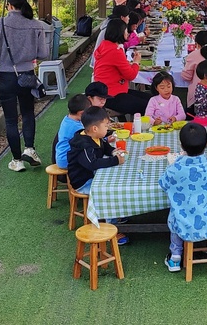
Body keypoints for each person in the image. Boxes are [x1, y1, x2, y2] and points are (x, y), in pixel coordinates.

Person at [0, 0, 50, 173]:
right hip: (27, 76)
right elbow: (43, 53)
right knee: (28, 113)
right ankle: (30, 149)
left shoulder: (0, 24)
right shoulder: (36, 25)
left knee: (11, 120)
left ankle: (17, 161)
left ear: (9, 5)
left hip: (5, 77)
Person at [159, 122, 207, 272]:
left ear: (181, 146)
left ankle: (175, 256)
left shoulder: (175, 169)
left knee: (177, 216)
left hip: (183, 222)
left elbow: (163, 184)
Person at [65, 106, 129, 245]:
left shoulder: (95, 137)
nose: (108, 128)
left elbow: (104, 146)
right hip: (83, 181)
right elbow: (92, 163)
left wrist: (113, 151)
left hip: (92, 175)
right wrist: (115, 160)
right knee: (108, 193)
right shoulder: (84, 145)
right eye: (106, 126)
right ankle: (111, 227)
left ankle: (117, 214)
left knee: (114, 183)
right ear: (95, 128)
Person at [92, 20, 151, 115]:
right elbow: (131, 75)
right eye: (126, 30)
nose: (127, 33)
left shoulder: (104, 46)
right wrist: (136, 62)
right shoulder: (115, 51)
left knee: (152, 100)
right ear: (120, 32)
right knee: (150, 106)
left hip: (107, 92)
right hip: (112, 95)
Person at [53, 94, 90, 169]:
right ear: (81, 113)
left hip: (61, 157)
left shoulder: (67, 119)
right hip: (67, 160)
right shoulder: (76, 127)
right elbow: (90, 139)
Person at [90, 4, 130, 69]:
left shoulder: (112, 25)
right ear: (122, 17)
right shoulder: (114, 29)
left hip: (102, 62)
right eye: (128, 16)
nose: (129, 18)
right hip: (102, 65)